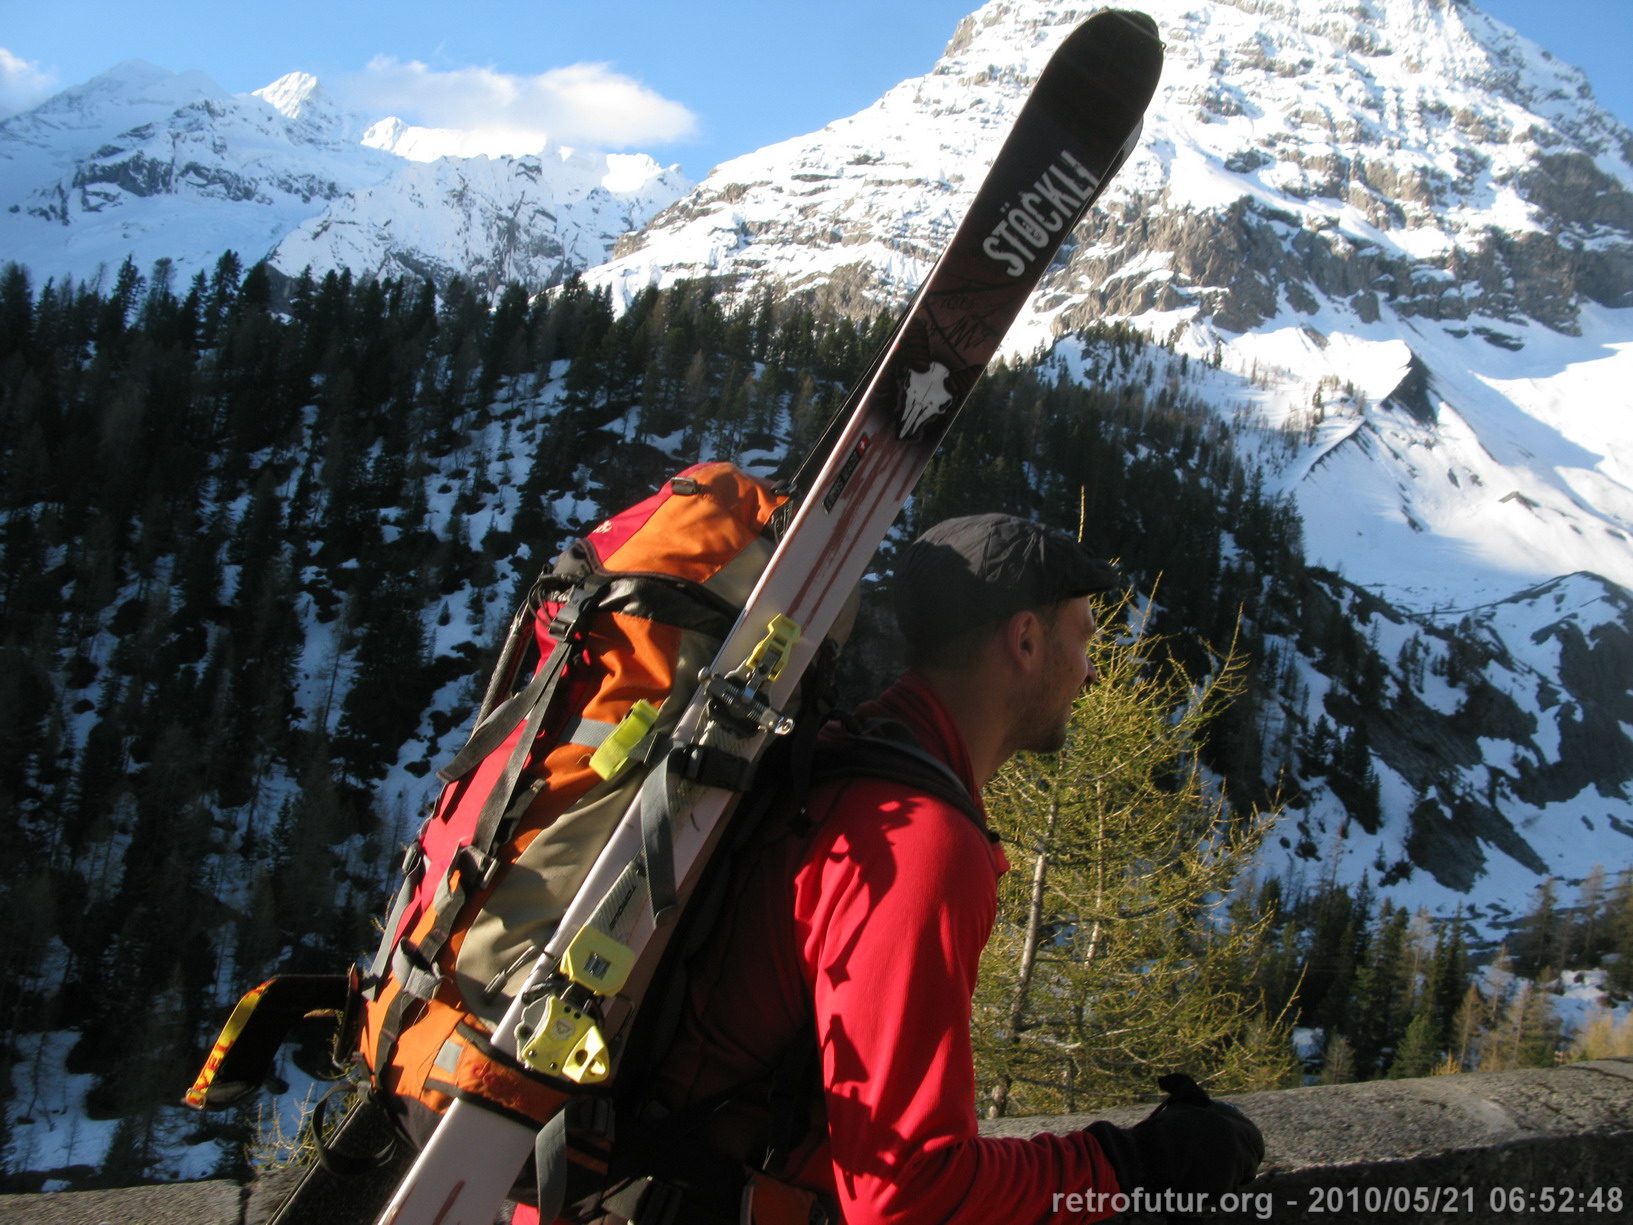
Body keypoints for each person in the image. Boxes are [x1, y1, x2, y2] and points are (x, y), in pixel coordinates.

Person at [526, 513, 1263, 1224]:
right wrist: (1130, 1164)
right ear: (1027, 641)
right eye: (1083, 638)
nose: (1092, 670)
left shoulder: (841, 758)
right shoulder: (917, 843)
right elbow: (907, 1192)